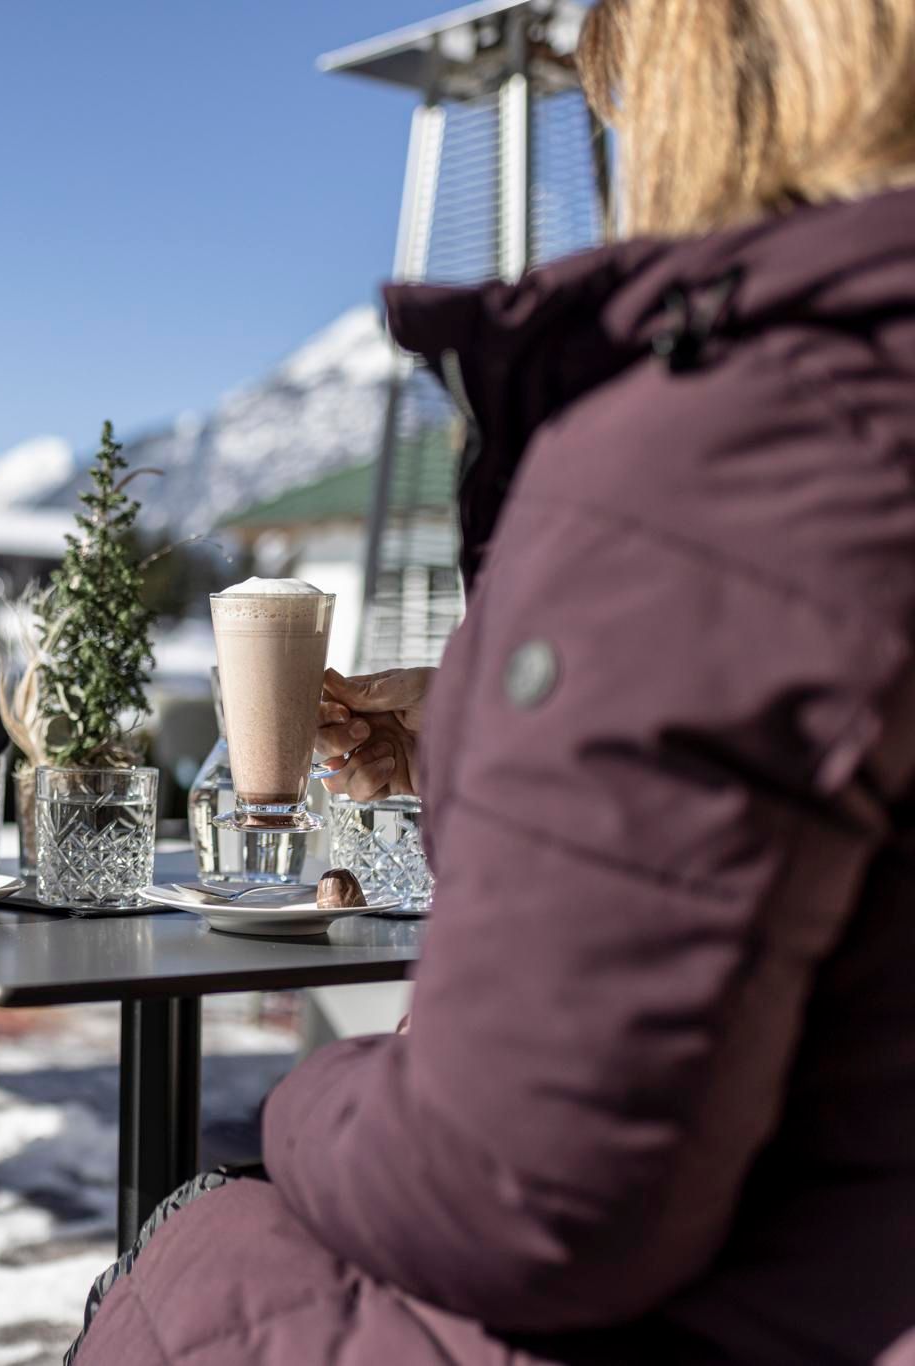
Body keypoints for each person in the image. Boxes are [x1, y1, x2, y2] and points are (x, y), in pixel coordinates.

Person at [69, 1, 915, 1362]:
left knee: (199, 1242)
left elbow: (513, 1198)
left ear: (721, 62)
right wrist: (477, 719)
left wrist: (304, 1099)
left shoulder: (730, 445)